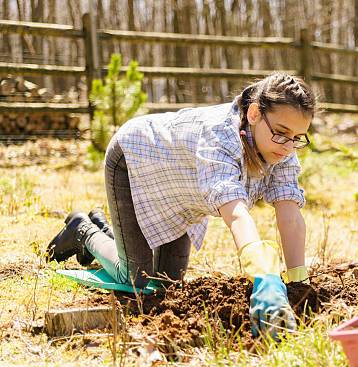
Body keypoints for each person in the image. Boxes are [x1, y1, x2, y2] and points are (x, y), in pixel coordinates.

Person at [46, 72, 316, 339]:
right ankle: (83, 231)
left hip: (179, 194)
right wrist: (263, 273)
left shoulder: (283, 151)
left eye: (298, 138)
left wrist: (297, 283)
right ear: (255, 113)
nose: (289, 146)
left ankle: (107, 230)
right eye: (281, 133)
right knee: (135, 280)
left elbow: (289, 214)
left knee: (166, 284)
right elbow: (235, 212)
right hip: (134, 158)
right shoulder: (220, 137)